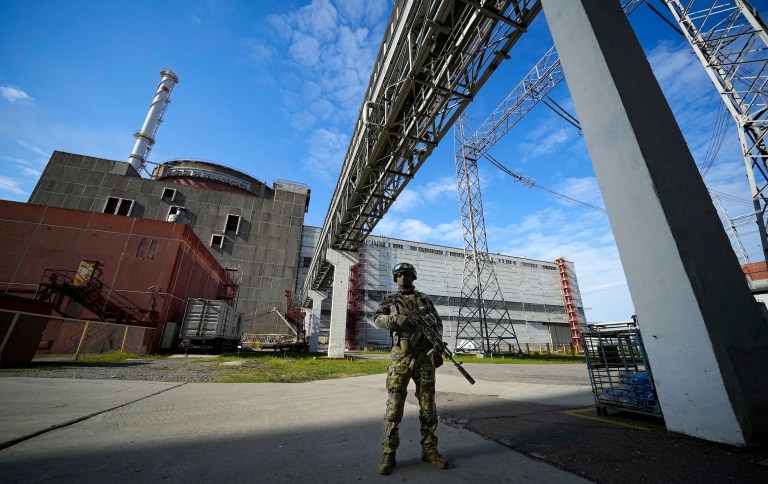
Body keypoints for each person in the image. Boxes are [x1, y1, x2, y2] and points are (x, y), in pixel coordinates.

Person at [374, 262, 448, 475]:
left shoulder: (424, 299)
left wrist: (437, 346)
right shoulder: (390, 299)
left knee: (428, 406)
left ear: (413, 277)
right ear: (395, 278)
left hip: (424, 357)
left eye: (407, 274)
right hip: (401, 357)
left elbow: (437, 324)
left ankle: (430, 450)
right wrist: (393, 320)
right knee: (394, 405)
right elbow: (377, 319)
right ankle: (389, 453)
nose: (403, 277)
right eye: (399, 274)